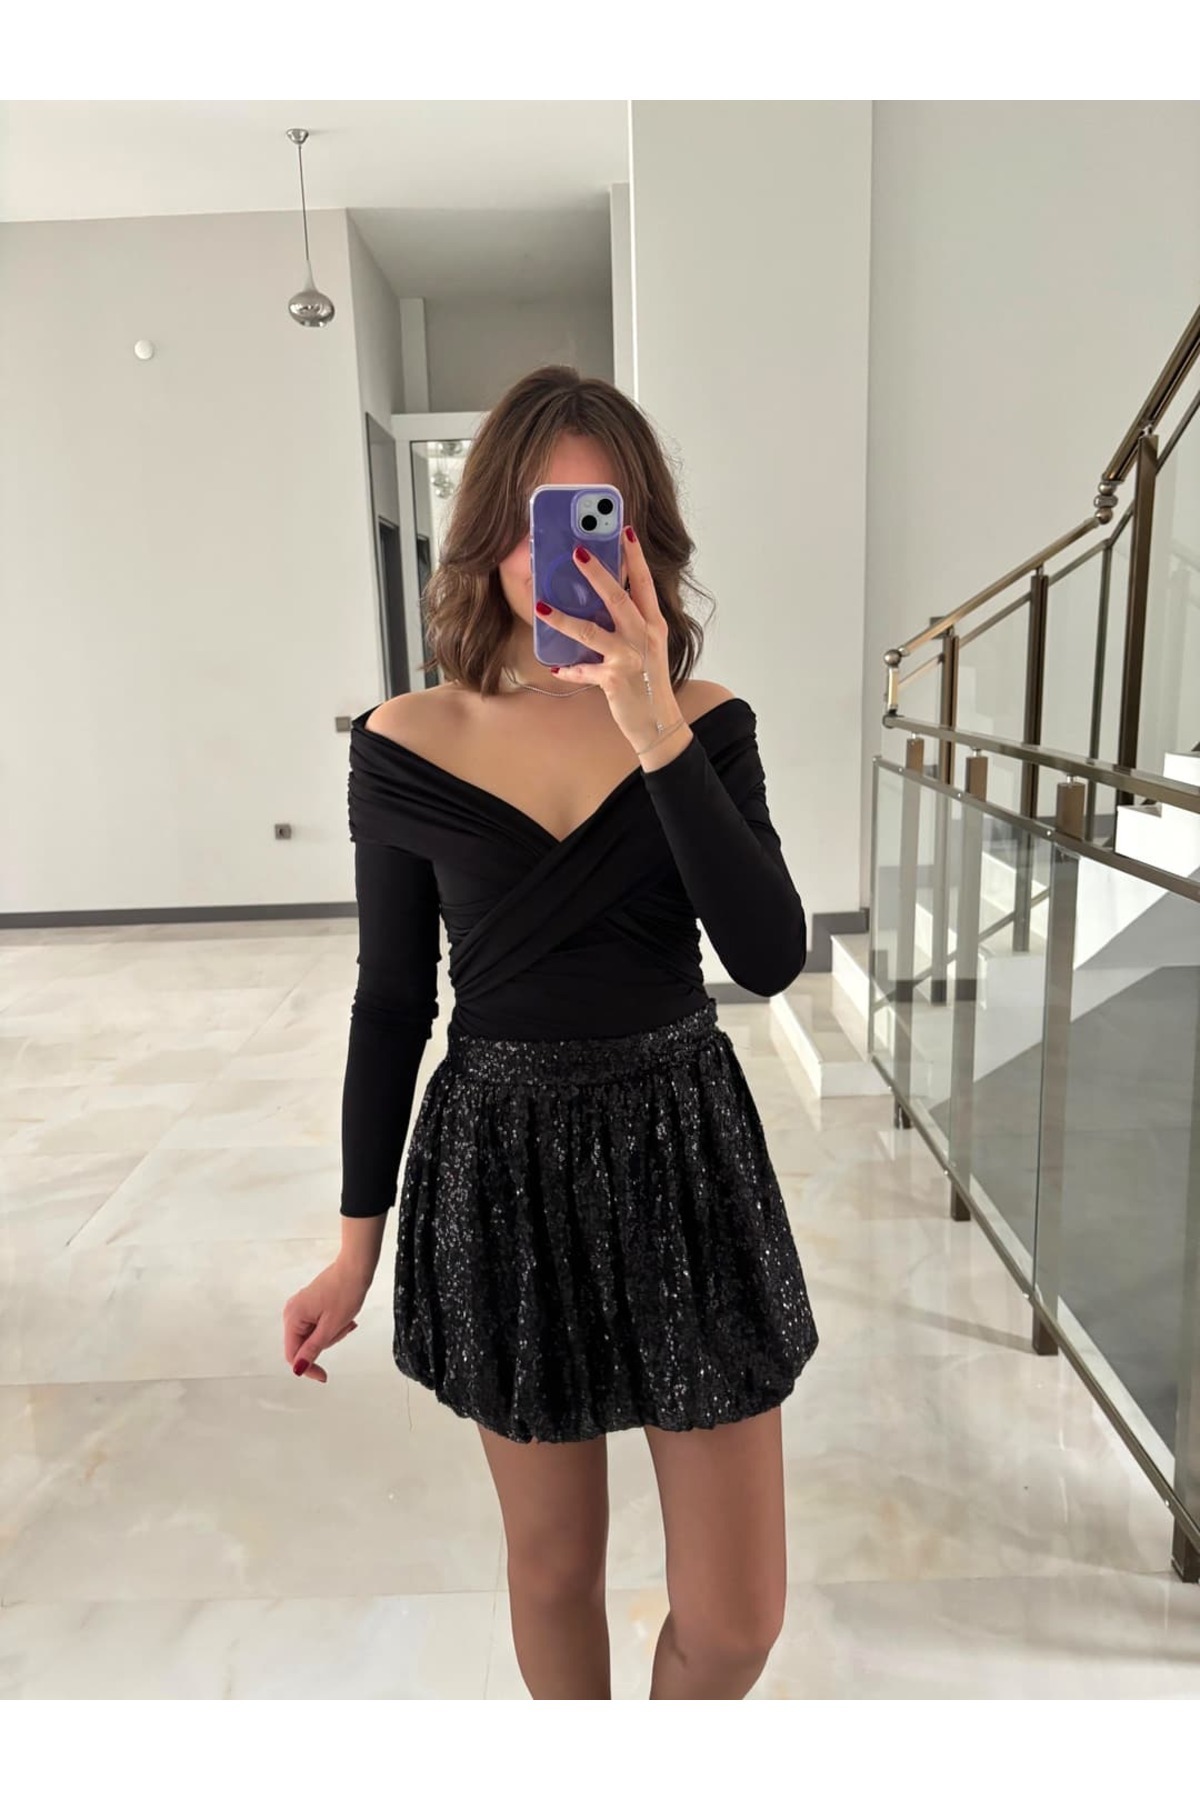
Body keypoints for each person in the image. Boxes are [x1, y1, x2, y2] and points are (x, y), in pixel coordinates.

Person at [282, 366, 819, 1701]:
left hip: (684, 1154)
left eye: (597, 517)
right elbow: (392, 1001)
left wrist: (654, 729)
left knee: (737, 1621)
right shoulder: (407, 739)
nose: (560, 556)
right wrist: (355, 1247)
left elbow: (766, 957)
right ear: (488, 535)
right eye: (537, 518)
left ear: (640, 540)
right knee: (553, 1569)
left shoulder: (706, 725)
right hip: (503, 1164)